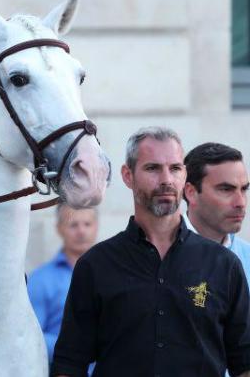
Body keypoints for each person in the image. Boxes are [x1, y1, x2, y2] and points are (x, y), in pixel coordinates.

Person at [52, 127, 250, 377]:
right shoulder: (96, 265)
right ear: (127, 175)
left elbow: (244, 361)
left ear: (185, 176)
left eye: (175, 168)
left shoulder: (224, 265)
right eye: (153, 168)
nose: (166, 179)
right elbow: (69, 363)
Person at [27, 204, 98, 362]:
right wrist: (73, 348)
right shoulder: (40, 280)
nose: (81, 231)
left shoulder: (113, 274)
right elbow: (31, 336)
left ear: (96, 226)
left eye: (87, 224)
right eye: (73, 224)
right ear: (59, 228)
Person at [183, 142, 250, 279]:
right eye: (226, 189)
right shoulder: (158, 254)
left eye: (244, 189)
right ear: (191, 192)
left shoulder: (247, 257)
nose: (241, 203)